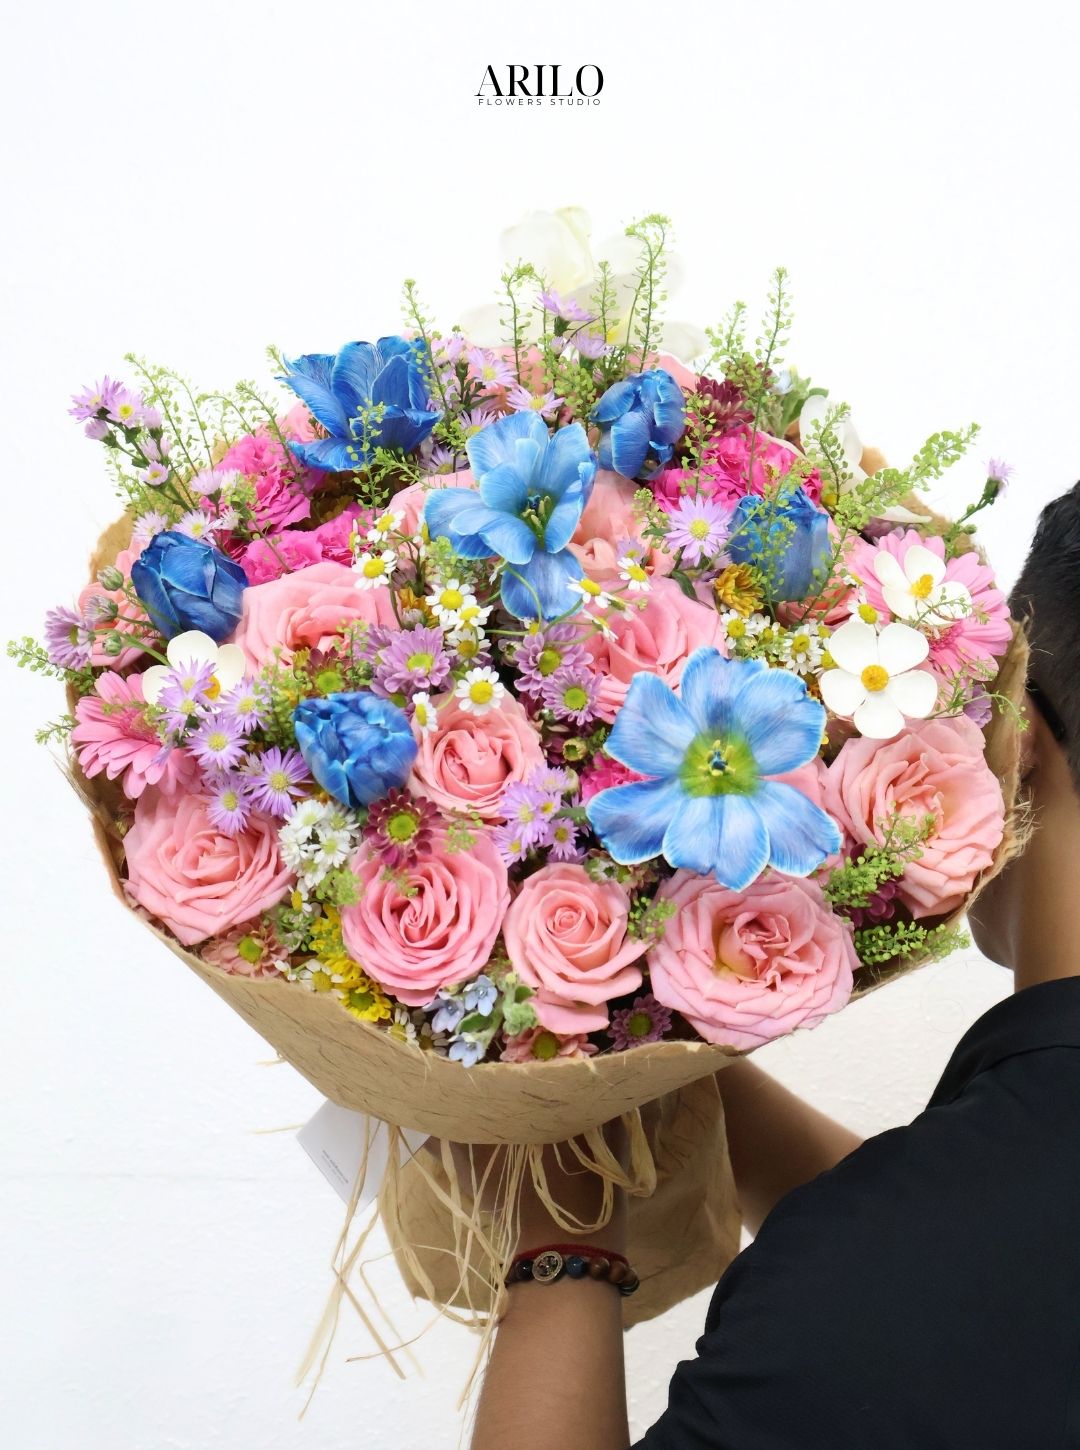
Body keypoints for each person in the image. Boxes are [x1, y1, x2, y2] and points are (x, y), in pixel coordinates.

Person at [466, 483, 1080, 1450]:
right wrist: (665, 1068)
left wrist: (561, 1242)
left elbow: (947, 1278)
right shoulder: (918, 1254)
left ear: (1019, 738)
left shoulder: (880, 1283)